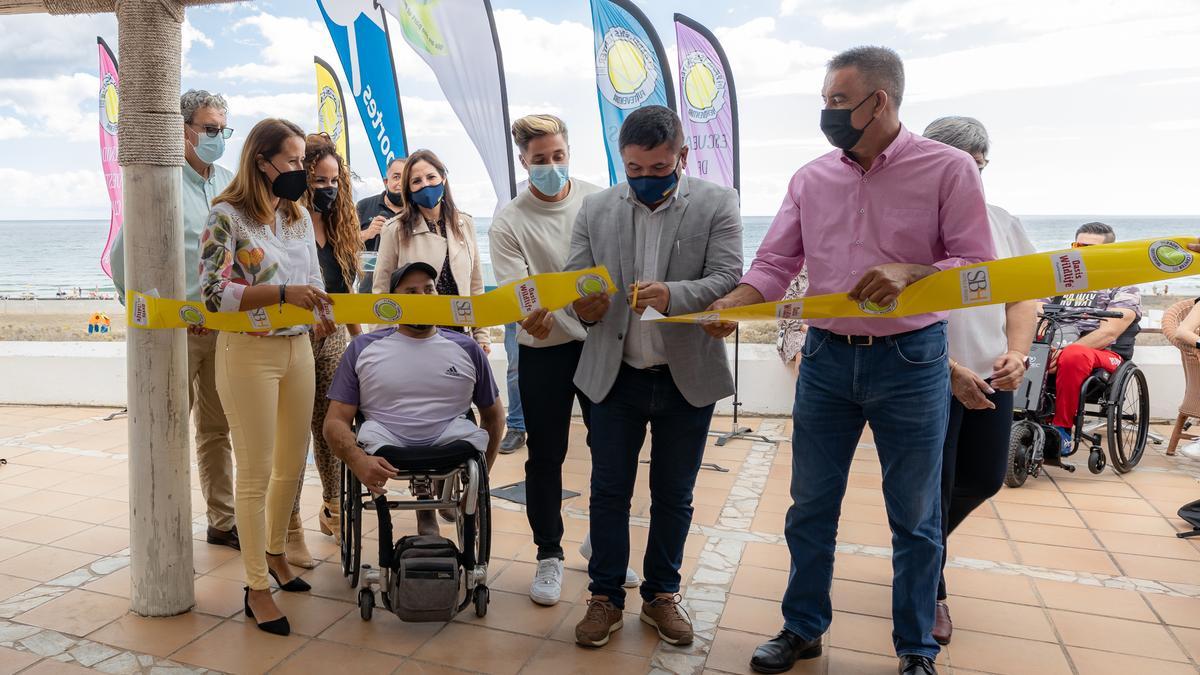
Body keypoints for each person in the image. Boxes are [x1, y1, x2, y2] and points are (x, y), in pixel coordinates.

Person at [706, 47, 995, 675]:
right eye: (826, 100)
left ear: (879, 101)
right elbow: (776, 265)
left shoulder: (947, 169)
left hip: (913, 360)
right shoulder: (811, 178)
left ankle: (916, 647)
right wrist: (734, 301)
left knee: (916, 515)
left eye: (838, 101)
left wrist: (915, 271)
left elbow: (978, 266)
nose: (827, 112)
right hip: (828, 360)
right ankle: (802, 627)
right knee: (810, 505)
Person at [566, 105, 743, 648]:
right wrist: (585, 307)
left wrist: (675, 295)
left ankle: (662, 594)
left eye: (658, 167)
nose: (646, 179)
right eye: (634, 169)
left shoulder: (718, 202)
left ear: (681, 157)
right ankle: (604, 597)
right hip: (614, 376)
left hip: (686, 375)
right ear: (623, 161)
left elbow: (730, 275)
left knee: (675, 493)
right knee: (608, 490)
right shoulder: (595, 209)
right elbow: (576, 283)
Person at [491, 114, 644, 606]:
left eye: (558, 156)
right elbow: (521, 295)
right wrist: (531, 314)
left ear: (568, 153)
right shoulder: (508, 220)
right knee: (547, 456)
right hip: (544, 353)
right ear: (524, 162)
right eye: (540, 160)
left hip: (600, 344)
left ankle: (603, 545)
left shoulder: (600, 200)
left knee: (611, 451)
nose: (551, 167)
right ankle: (548, 555)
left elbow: (619, 269)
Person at [200, 117, 336, 636]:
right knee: (255, 474)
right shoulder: (226, 217)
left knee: (289, 467)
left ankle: (276, 554)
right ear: (263, 161)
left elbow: (313, 280)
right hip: (248, 354)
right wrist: (282, 295)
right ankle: (256, 587)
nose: (301, 170)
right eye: (294, 161)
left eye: (304, 161)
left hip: (298, 350)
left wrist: (320, 310)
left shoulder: (298, 216)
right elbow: (212, 294)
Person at [922, 116, 1037, 645]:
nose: (975, 177)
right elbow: (890, 310)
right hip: (926, 378)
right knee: (932, 490)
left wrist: (1017, 352)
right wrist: (946, 369)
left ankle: (918, 552)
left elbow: (1023, 296)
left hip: (993, 377)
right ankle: (929, 591)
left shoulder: (1003, 222)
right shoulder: (909, 224)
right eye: (965, 167)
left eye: (980, 167)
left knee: (985, 478)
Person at [109, 89, 239, 551]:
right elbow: (122, 258)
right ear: (183, 129)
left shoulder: (229, 182)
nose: (217, 137)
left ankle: (223, 521)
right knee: (166, 428)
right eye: (209, 128)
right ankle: (164, 523)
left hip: (225, 332)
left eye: (222, 128)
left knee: (217, 431)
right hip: (176, 335)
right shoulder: (161, 182)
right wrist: (150, 318)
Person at [322, 262, 504, 535]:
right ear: (394, 301)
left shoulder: (467, 348)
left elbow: (494, 416)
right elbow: (335, 421)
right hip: (386, 440)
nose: (422, 299)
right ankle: (426, 508)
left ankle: (430, 507)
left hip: (451, 438)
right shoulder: (363, 349)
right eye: (411, 292)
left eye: (428, 290)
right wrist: (357, 461)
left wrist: (481, 483)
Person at [282, 133, 363, 568]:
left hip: (333, 339)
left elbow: (346, 291)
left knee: (331, 431)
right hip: (293, 336)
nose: (327, 188)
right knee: (293, 433)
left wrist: (360, 340)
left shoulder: (340, 226)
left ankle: (332, 509)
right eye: (318, 179)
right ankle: (289, 525)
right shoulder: (287, 220)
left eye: (333, 180)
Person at [372, 150, 490, 351]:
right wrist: (383, 340)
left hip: (461, 334)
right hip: (415, 337)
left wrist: (482, 335)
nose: (425, 184)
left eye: (431, 177)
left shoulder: (465, 223)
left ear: (443, 178)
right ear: (408, 189)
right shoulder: (395, 229)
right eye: (416, 181)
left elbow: (475, 285)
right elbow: (381, 290)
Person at [1044, 223, 1141, 452]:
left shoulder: (1123, 284)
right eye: (1078, 245)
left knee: (1075, 355)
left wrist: (1064, 352)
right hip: (1058, 343)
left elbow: (1110, 331)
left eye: (1091, 248)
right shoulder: (1062, 280)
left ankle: (1062, 429)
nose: (1082, 251)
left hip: (1105, 354)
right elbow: (1035, 312)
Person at [355, 157, 406, 293]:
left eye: (406, 177)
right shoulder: (363, 206)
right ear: (386, 181)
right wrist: (366, 234)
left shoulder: (417, 211)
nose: (401, 183)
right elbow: (343, 245)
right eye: (396, 177)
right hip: (369, 291)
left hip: (405, 291)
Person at [777, 269, 809, 376]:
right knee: (803, 347)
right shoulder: (794, 276)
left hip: (818, 326)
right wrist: (804, 327)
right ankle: (804, 391)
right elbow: (783, 314)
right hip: (794, 329)